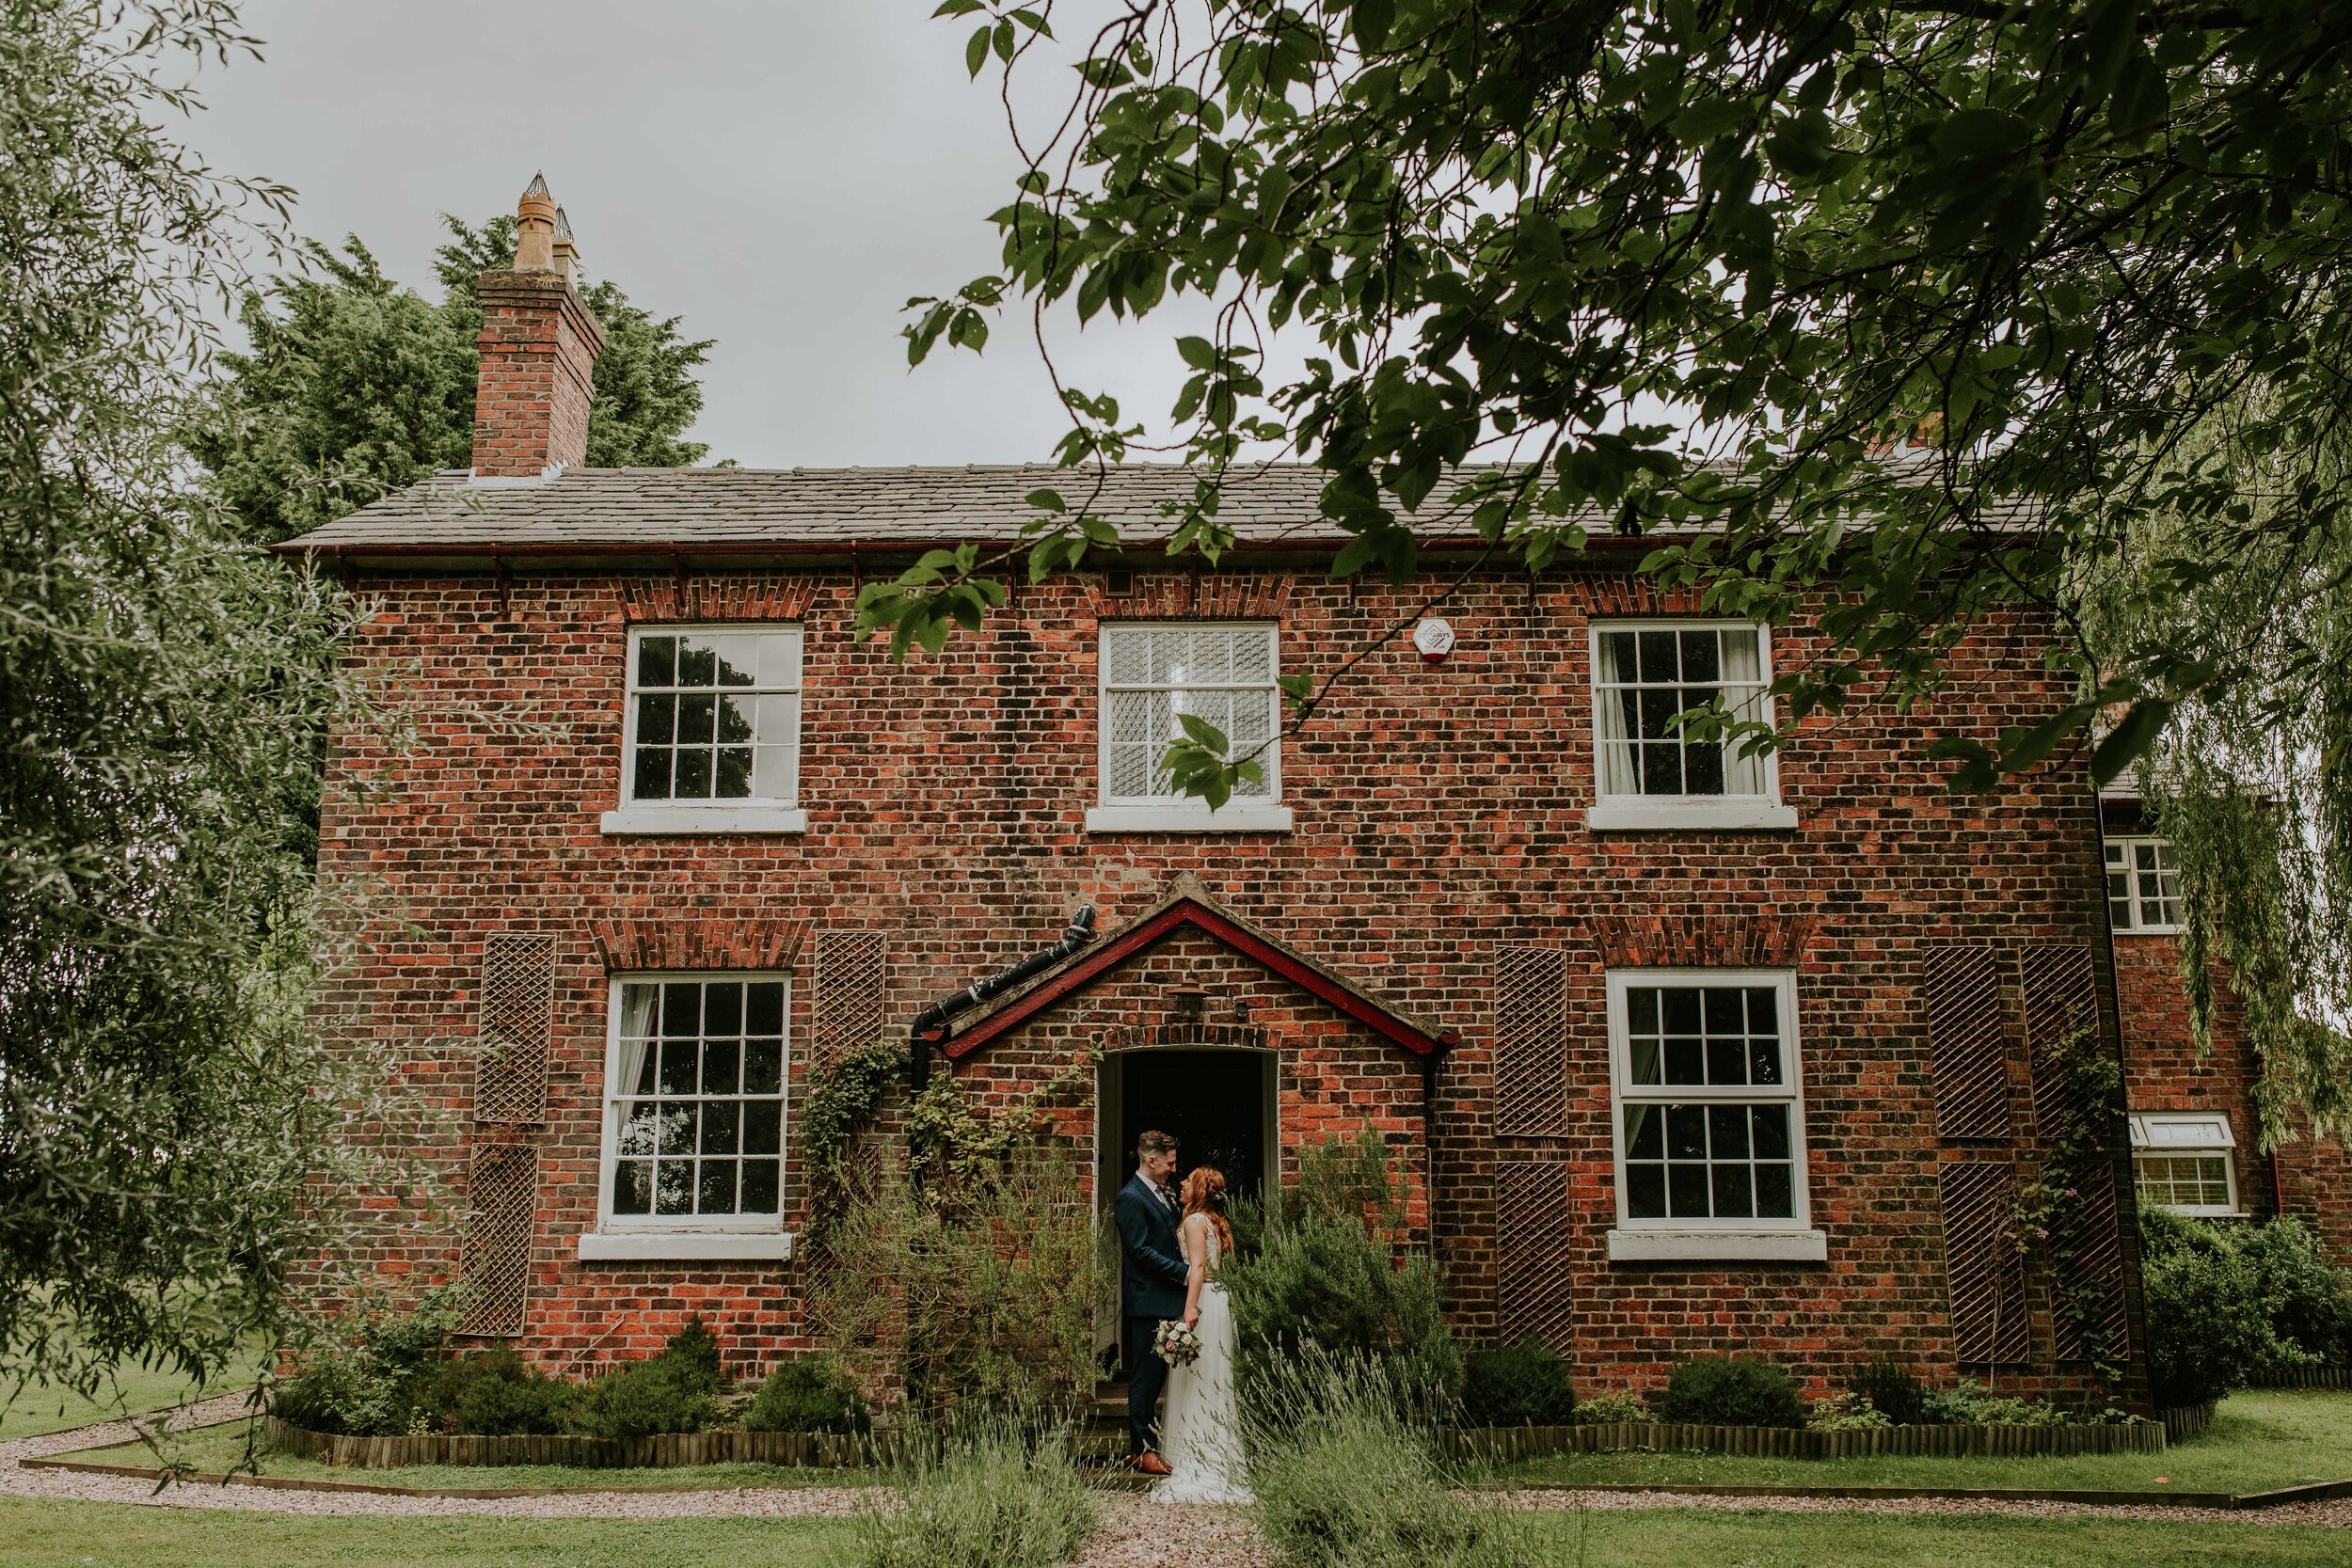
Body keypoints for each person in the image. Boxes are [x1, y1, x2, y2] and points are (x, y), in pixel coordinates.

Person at [1154, 1165, 1251, 1503]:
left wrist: (1190, 1307)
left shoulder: (1195, 1222)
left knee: (1200, 1379)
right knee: (1209, 1378)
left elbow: (1197, 1267)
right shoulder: (1212, 1220)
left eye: (1187, 1180)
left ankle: (1201, 1460)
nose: (1180, 1182)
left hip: (1206, 1301)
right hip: (1219, 1297)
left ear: (1197, 1189)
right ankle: (1212, 1453)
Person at [1114, 1129, 1186, 1475]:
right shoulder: (1131, 1198)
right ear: (1151, 1159)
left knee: (1157, 1376)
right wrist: (1182, 1271)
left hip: (1166, 1298)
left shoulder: (1161, 1194)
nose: (1173, 1169)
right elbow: (1140, 1251)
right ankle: (1143, 1450)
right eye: (1169, 1163)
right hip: (1148, 1301)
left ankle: (1141, 1448)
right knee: (1146, 1378)